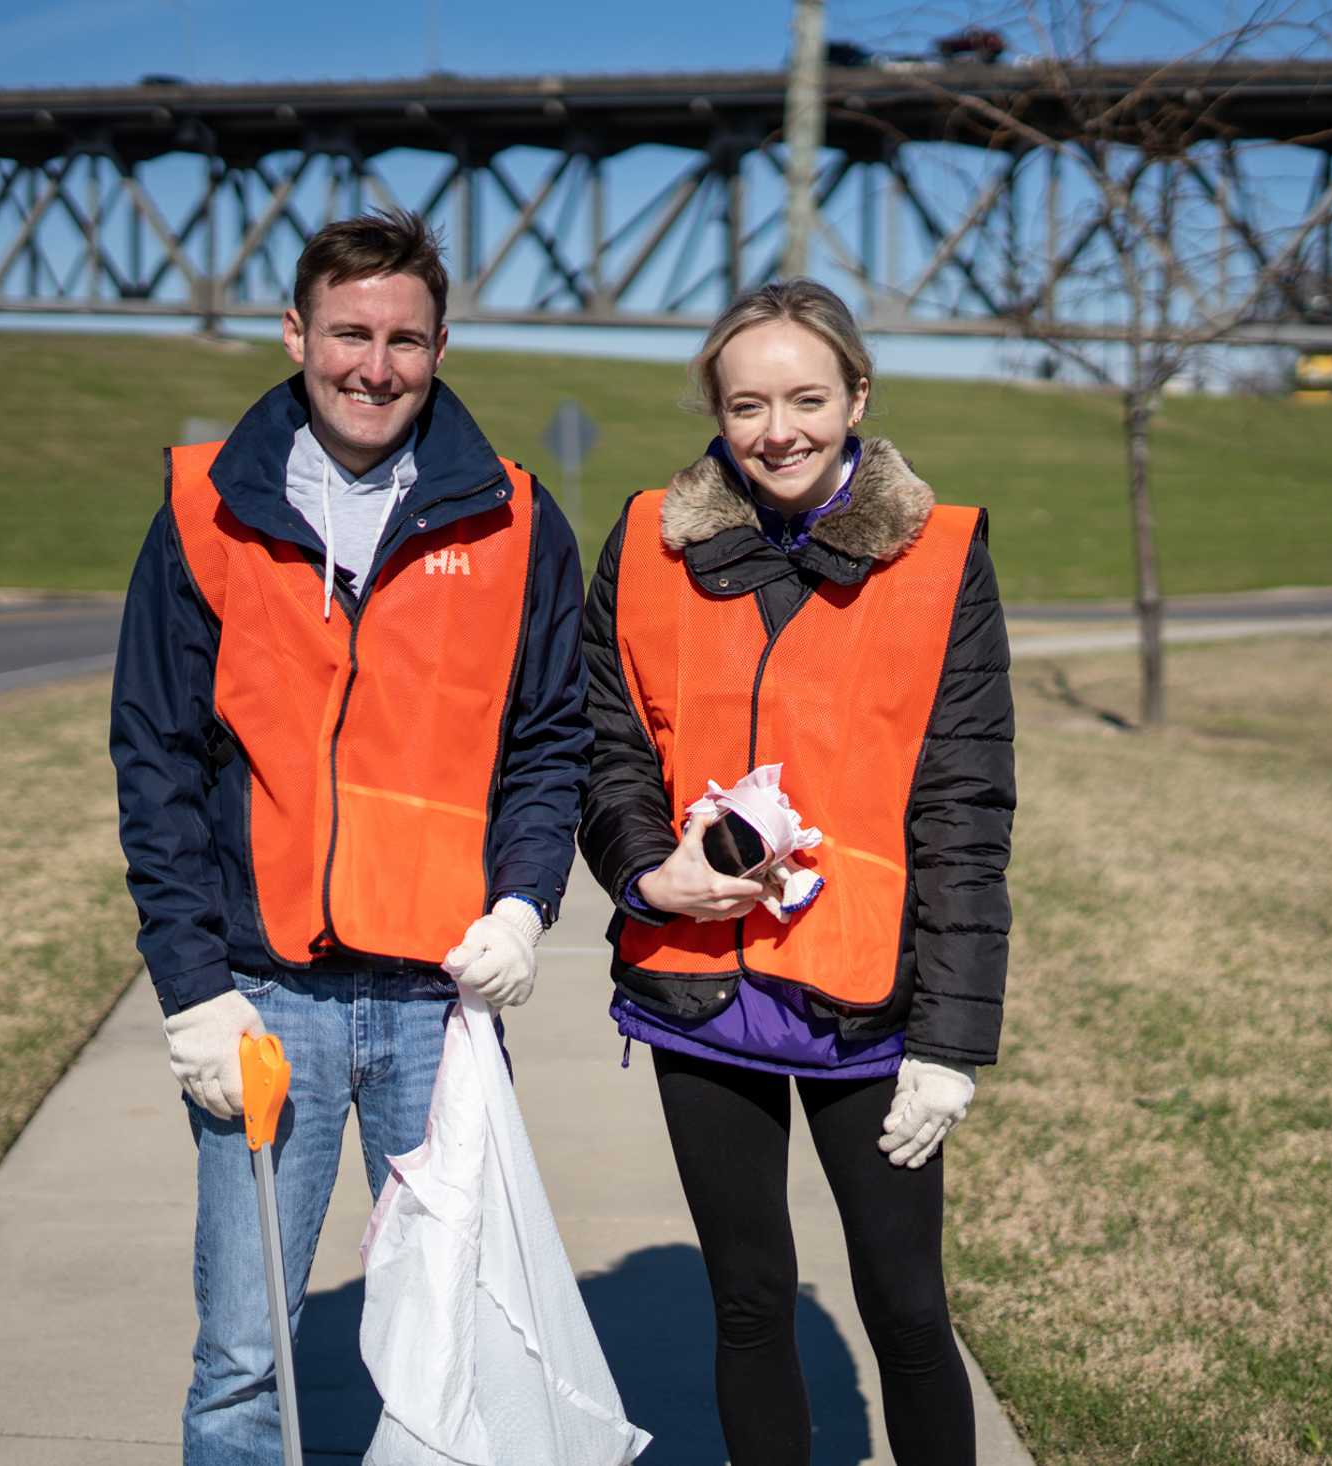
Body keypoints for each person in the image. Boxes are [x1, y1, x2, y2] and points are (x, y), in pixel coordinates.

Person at [110, 208, 589, 1464]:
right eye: (349, 334)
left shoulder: (519, 522)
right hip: (268, 1003)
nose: (374, 366)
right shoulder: (205, 512)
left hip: (442, 1007)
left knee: (452, 1344)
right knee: (239, 1362)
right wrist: (193, 989)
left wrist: (524, 904)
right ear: (296, 332)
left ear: (441, 345)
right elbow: (156, 758)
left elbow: (550, 741)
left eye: (405, 339)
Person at [578, 279, 1015, 1464]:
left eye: (808, 398)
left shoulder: (939, 557)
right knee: (749, 1300)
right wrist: (641, 872)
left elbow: (967, 806)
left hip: (869, 999)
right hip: (697, 990)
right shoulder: (647, 542)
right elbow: (605, 744)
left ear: (857, 397)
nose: (780, 430)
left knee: (908, 1307)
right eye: (749, 403)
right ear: (717, 413)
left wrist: (953, 1043)